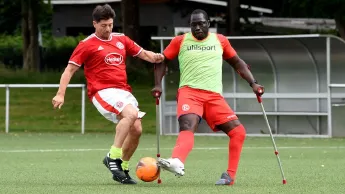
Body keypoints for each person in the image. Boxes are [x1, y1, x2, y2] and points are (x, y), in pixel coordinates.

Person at [52, 4, 164, 184]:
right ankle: (112, 157)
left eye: (111, 24)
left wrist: (160, 56)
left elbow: (145, 54)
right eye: (103, 25)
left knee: (136, 129)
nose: (108, 29)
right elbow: (69, 70)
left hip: (123, 92)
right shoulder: (86, 45)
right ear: (94, 24)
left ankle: (123, 168)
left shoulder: (121, 39)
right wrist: (60, 94)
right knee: (131, 114)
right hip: (102, 92)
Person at [151, 9, 264, 185]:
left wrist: (253, 83)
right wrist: (158, 84)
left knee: (238, 132)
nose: (197, 28)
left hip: (214, 97)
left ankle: (229, 176)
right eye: (193, 24)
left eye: (201, 23)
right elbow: (162, 61)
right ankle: (177, 161)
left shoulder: (220, 41)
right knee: (187, 124)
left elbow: (237, 63)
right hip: (190, 92)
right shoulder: (180, 41)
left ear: (208, 24)